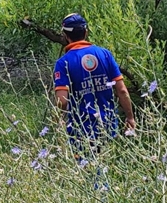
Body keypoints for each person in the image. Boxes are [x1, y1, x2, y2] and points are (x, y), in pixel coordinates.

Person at [53, 13, 136, 155]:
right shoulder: (105, 54)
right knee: (106, 166)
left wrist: (57, 122)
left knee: (87, 170)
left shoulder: (63, 63)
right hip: (108, 126)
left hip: (81, 130)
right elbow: (122, 91)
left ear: (66, 36)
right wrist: (130, 117)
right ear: (86, 32)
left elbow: (62, 101)